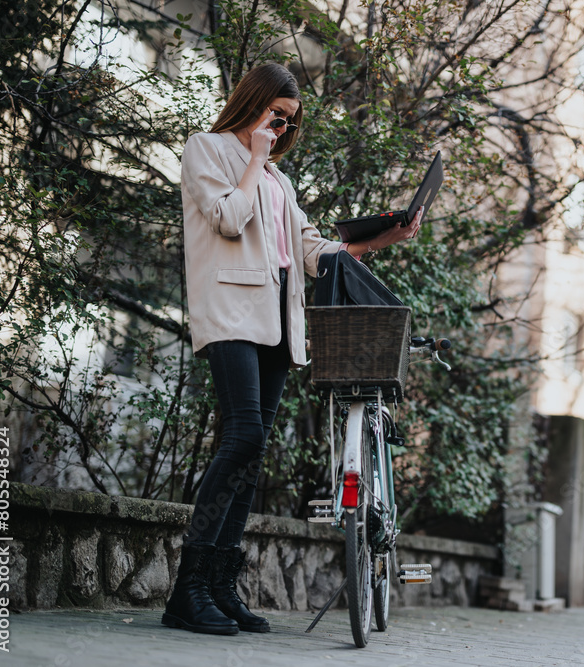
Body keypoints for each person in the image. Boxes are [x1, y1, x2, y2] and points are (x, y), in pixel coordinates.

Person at [162, 62, 422, 635]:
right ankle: (187, 590)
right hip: (231, 313)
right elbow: (228, 218)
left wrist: (385, 235)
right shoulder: (206, 150)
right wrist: (255, 158)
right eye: (275, 116)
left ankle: (220, 586)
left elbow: (312, 251)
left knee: (251, 458)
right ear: (252, 101)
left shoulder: (279, 181)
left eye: (287, 123)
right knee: (242, 437)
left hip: (279, 325)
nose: (279, 129)